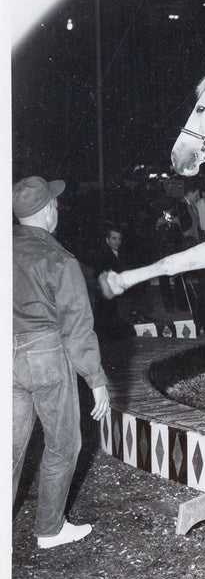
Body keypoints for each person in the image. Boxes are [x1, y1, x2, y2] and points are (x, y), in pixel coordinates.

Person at [12, 176, 111, 549]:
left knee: (10, 449)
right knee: (62, 444)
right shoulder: (59, 259)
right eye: (55, 203)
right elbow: (77, 327)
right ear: (47, 211)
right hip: (46, 354)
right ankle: (49, 530)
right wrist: (96, 379)